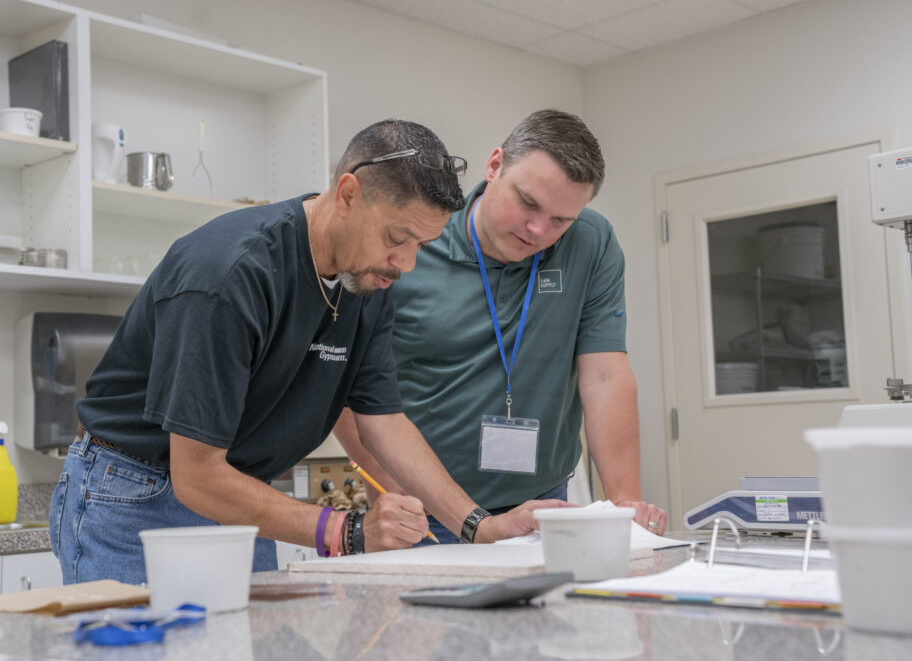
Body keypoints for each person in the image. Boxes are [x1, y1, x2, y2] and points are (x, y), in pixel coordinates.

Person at [50, 118, 568, 585]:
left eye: (422, 246)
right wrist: (346, 531)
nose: (406, 263)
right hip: (136, 494)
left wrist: (477, 524)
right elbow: (197, 474)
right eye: (397, 238)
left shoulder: (369, 279)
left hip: (239, 493)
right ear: (347, 194)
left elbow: (383, 420)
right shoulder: (231, 274)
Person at [334, 110, 667, 543]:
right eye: (528, 203)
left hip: (542, 504)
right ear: (494, 166)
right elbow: (344, 386)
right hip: (423, 509)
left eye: (560, 220)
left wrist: (625, 509)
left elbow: (606, 376)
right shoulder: (412, 241)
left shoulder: (591, 243)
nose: (537, 229)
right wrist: (394, 494)